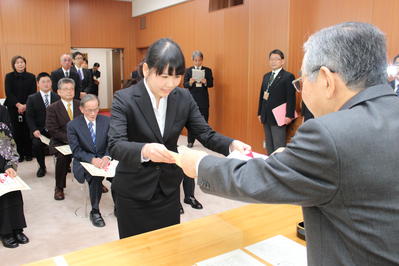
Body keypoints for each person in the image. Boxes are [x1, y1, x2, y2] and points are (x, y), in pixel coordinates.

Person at [179, 22, 399, 265]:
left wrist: (200, 164)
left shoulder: (329, 133)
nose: (301, 91)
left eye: (302, 83)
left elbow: (261, 179)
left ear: (326, 79)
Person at [108, 38, 249, 239]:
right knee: (135, 254)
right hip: (134, 192)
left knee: (170, 249)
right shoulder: (125, 98)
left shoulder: (183, 97)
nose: (170, 84)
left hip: (168, 190)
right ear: (147, 69)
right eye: (164, 76)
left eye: (176, 77)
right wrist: (145, 150)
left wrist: (231, 144)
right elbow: (115, 145)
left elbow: (205, 133)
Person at [67, 94, 110, 227]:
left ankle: (119, 207)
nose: (93, 113)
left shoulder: (107, 121)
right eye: (89, 110)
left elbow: (112, 143)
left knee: (122, 174)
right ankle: (95, 211)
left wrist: (107, 157)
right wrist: (92, 160)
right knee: (95, 177)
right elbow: (76, 151)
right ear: (81, 109)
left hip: (105, 159)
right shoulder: (73, 125)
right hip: (84, 162)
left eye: (96, 109)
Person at [46, 78, 82, 200]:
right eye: (65, 89)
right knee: (63, 157)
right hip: (60, 141)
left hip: (80, 140)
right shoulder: (53, 108)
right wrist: (70, 139)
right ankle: (59, 187)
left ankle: (97, 181)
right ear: (59, 92)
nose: (69, 91)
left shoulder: (81, 105)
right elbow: (52, 129)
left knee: (93, 151)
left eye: (71, 89)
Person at [0, 104, 29, 248]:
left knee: (12, 190)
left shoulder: (1, 110)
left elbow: (7, 138)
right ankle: (5, 232)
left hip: (1, 160)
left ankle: (17, 228)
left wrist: (10, 165)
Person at [257, 49, 296, 155]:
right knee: (269, 144)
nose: (273, 61)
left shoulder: (288, 76)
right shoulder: (266, 76)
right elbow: (262, 95)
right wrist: (260, 113)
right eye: (271, 59)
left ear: (282, 61)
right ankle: (269, 166)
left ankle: (278, 168)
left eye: (276, 59)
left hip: (279, 117)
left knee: (278, 145)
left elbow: (291, 97)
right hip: (266, 115)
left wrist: (289, 115)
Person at [26, 72, 60, 177]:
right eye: (43, 82)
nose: (46, 84)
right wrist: (34, 130)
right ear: (38, 84)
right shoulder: (32, 98)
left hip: (54, 130)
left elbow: (61, 116)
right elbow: (29, 117)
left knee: (64, 142)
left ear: (51, 83)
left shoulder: (57, 97)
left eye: (48, 81)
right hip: (39, 131)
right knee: (36, 144)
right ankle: (42, 166)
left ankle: (64, 165)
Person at [4, 55, 36, 162]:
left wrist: (26, 105)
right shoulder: (9, 76)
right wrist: (18, 105)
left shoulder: (31, 76)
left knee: (27, 130)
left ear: (25, 63)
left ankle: (28, 153)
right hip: (13, 107)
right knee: (16, 131)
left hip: (28, 106)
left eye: (22, 62)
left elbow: (33, 92)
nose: (20, 64)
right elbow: (9, 93)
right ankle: (19, 154)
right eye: (17, 63)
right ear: (14, 65)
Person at [183, 51, 214, 148]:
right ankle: (190, 141)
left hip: (203, 99)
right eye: (196, 60)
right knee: (191, 120)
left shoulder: (208, 70)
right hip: (192, 99)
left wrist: (205, 82)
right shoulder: (188, 70)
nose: (197, 62)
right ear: (193, 60)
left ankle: (205, 141)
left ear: (202, 60)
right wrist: (190, 82)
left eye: (199, 60)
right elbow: (184, 84)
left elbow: (211, 84)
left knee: (204, 121)